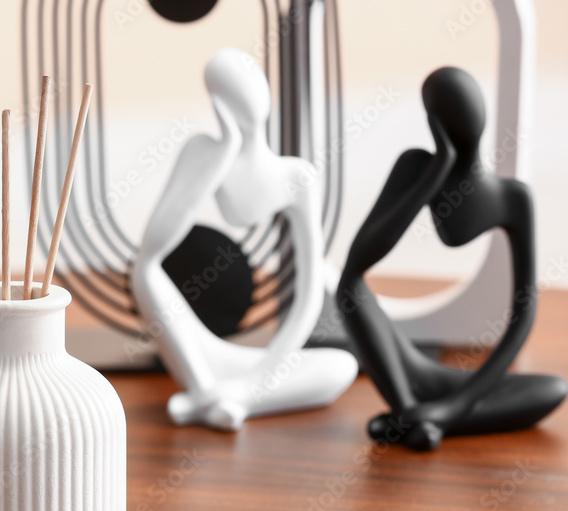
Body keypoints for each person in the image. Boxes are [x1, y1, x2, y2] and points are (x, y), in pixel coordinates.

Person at [337, 67, 566, 451]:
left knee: (554, 388)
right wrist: (435, 173)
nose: (467, 118)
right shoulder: (415, 167)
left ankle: (421, 421)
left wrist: (453, 406)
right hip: (409, 369)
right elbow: (357, 265)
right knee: (348, 289)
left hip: (461, 389)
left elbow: (522, 315)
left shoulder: (513, 197)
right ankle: (410, 409)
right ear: (432, 120)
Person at [132, 48, 357, 430]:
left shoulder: (297, 176)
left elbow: (309, 291)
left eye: (251, 80)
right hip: (203, 355)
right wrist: (221, 157)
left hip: (260, 369)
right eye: (232, 89)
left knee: (341, 366)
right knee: (144, 272)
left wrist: (263, 375)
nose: (249, 96)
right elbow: (153, 249)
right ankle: (209, 391)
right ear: (218, 102)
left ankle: (221, 401)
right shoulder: (202, 152)